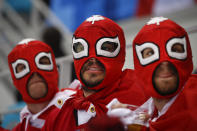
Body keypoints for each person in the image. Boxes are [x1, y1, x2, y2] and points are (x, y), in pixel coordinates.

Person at [42, 15, 148, 131]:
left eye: (105, 48)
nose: (92, 58)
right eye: (82, 48)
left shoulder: (145, 92)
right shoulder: (59, 113)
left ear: (121, 53)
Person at [109, 17, 197, 130]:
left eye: (174, 50)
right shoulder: (150, 111)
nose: (164, 62)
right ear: (138, 68)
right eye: (151, 53)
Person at [6, 38, 80, 131]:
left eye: (42, 62)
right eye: (23, 67)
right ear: (15, 81)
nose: (34, 73)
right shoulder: (22, 127)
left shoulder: (83, 105)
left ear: (56, 70)